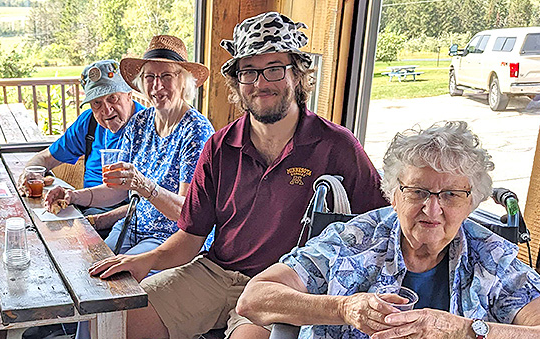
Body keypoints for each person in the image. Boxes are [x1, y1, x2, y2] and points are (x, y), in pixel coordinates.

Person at [88, 13, 389, 339]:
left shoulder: (335, 145)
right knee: (121, 321)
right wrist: (146, 260)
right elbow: (190, 238)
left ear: (298, 74)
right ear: (237, 81)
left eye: (274, 69)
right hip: (214, 272)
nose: (261, 83)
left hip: (280, 286)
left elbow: (382, 221)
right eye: (248, 72)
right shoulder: (220, 146)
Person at [237, 121, 540, 338]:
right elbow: (254, 298)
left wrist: (466, 329)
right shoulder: (352, 240)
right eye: (417, 191)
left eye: (451, 194)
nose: (431, 209)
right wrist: (344, 308)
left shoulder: (490, 257)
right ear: (394, 195)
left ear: (472, 202)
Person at [46, 35, 214, 256]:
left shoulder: (196, 130)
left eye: (166, 76)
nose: (156, 85)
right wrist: (73, 195)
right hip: (132, 226)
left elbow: (186, 211)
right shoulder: (140, 123)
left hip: (171, 238)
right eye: (150, 76)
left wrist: (143, 185)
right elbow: (118, 190)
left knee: (117, 280)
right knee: (86, 261)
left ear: (183, 80)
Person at [19, 60, 145, 229]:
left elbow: (149, 204)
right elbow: (45, 158)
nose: (106, 110)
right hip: (86, 209)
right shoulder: (89, 123)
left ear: (129, 94)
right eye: (97, 103)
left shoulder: (148, 128)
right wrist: (29, 174)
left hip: (127, 221)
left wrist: (96, 222)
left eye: (112, 98)